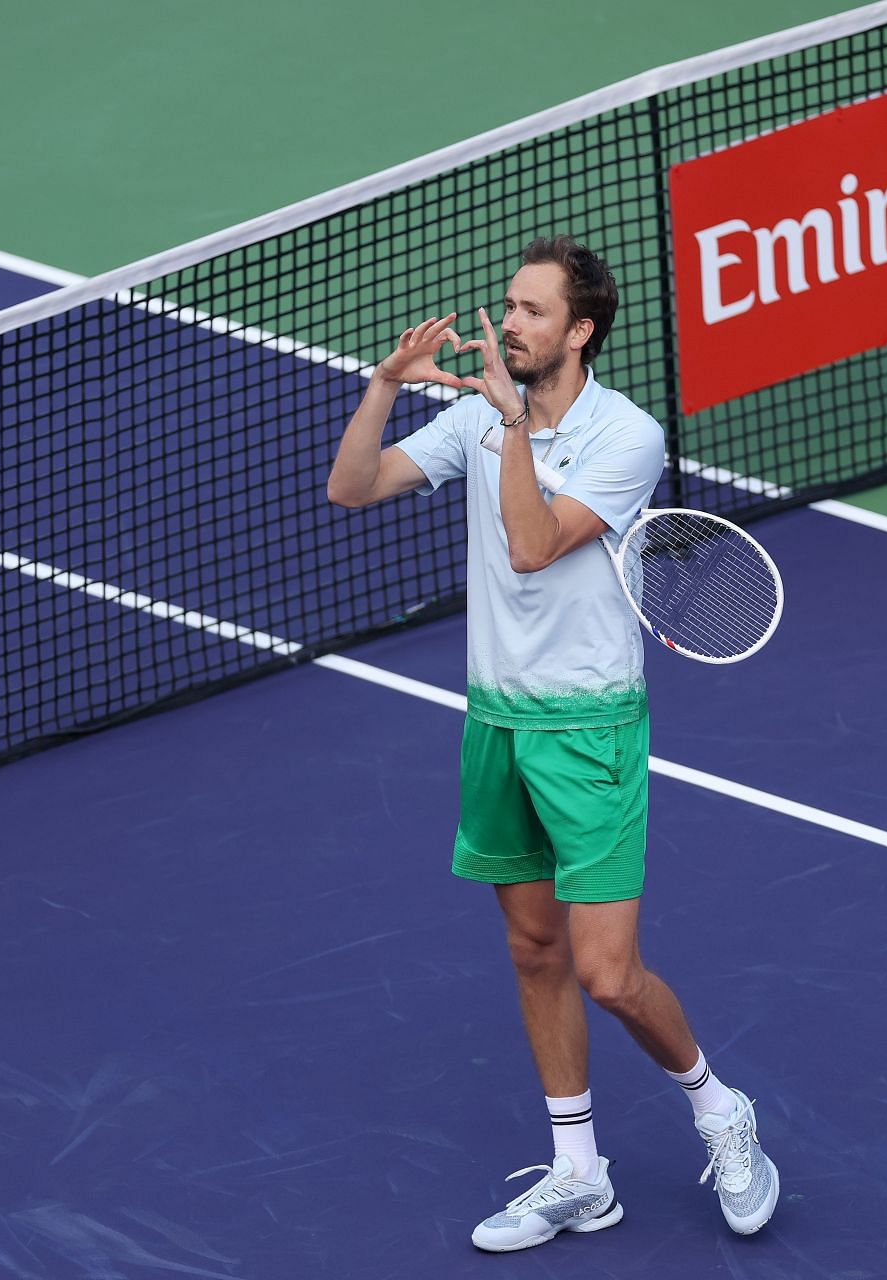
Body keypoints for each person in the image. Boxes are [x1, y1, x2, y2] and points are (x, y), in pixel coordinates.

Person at [326, 236, 779, 1252]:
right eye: (509, 305)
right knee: (534, 950)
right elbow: (353, 488)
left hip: (589, 730)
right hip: (497, 720)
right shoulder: (479, 418)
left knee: (607, 972)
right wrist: (385, 384)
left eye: (531, 310)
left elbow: (531, 549)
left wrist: (512, 426)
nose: (509, 322)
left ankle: (720, 1108)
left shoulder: (627, 436)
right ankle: (580, 1173)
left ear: (580, 329)